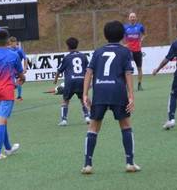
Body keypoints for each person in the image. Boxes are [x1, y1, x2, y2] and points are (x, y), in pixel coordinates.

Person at [81, 20, 140, 174]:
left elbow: (88, 72)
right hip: (118, 92)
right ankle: (130, 163)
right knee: (126, 125)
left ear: (105, 35)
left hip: (100, 92)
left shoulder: (98, 51)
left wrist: (85, 94)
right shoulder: (125, 52)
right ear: (123, 36)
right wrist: (131, 96)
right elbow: (128, 73)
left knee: (93, 127)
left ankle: (87, 165)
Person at [0, 29, 25, 160]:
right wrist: (21, 80)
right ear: (8, 41)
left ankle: (8, 148)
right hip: (7, 91)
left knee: (1, 119)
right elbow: (20, 74)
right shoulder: (14, 55)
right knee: (1, 120)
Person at [53, 37, 90, 126]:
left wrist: (55, 80)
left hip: (70, 82)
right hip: (81, 80)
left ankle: (64, 120)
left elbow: (59, 70)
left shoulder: (67, 57)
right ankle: (87, 117)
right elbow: (88, 70)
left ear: (68, 47)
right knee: (82, 100)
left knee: (65, 100)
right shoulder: (83, 56)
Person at [124, 12, 146, 91]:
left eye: (134, 17)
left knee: (139, 68)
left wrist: (141, 40)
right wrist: (124, 44)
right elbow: (120, 36)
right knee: (127, 69)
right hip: (128, 51)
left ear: (136, 18)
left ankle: (139, 85)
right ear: (129, 18)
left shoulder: (140, 26)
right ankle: (127, 85)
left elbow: (144, 34)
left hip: (137, 50)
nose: (132, 18)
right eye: (131, 17)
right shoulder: (125, 27)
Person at [8, 36, 28, 101]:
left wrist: (25, 68)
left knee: (20, 80)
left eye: (15, 42)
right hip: (10, 69)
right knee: (11, 82)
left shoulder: (19, 50)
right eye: (12, 42)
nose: (14, 44)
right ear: (10, 43)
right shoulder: (8, 49)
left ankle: (19, 96)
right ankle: (11, 96)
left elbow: (25, 58)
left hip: (18, 68)